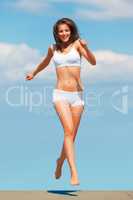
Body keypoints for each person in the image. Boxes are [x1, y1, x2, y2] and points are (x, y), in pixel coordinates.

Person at [25, 18, 96, 185]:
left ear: (71, 31)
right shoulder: (53, 48)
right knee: (68, 132)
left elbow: (93, 62)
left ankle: (59, 162)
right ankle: (74, 172)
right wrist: (34, 73)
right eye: (60, 31)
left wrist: (86, 47)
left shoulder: (78, 45)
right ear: (56, 33)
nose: (64, 33)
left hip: (78, 96)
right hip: (60, 95)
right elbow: (45, 62)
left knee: (71, 136)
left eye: (66, 30)